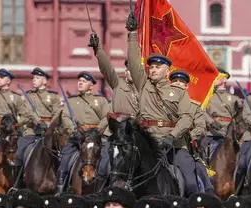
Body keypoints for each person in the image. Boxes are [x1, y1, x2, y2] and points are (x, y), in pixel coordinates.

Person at [126, 14, 196, 195]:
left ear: (167, 70)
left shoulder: (179, 92)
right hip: (147, 141)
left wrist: (172, 136)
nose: (154, 69)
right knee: (119, 170)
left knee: (190, 181)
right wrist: (132, 34)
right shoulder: (143, 84)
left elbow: (187, 117)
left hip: (172, 144)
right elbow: (134, 62)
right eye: (152, 67)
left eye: (158, 67)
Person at [13, 68, 71, 183]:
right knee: (18, 155)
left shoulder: (53, 96)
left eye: (37, 78)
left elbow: (58, 112)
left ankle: (62, 182)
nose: (34, 80)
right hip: (32, 131)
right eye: (33, 78)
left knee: (63, 153)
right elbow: (29, 111)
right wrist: (39, 122)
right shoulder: (29, 95)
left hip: (50, 132)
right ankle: (17, 183)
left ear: (45, 81)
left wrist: (50, 126)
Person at [56, 71, 109, 194]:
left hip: (96, 137)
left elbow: (107, 116)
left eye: (84, 81)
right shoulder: (71, 101)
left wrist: (97, 130)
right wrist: (73, 130)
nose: (80, 83)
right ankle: (60, 189)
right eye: (79, 81)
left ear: (91, 85)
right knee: (65, 158)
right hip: (77, 137)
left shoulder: (100, 100)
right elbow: (65, 117)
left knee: (108, 158)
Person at [168, 69, 214, 194]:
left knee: (191, 182)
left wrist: (189, 136)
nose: (177, 83)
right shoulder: (161, 103)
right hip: (160, 146)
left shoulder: (194, 106)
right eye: (174, 81)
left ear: (186, 86)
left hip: (181, 148)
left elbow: (200, 127)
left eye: (181, 82)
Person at [88, 32, 139, 119]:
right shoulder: (117, 83)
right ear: (126, 72)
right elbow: (106, 67)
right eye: (130, 70)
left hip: (137, 128)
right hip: (121, 126)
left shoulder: (143, 86)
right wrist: (97, 48)